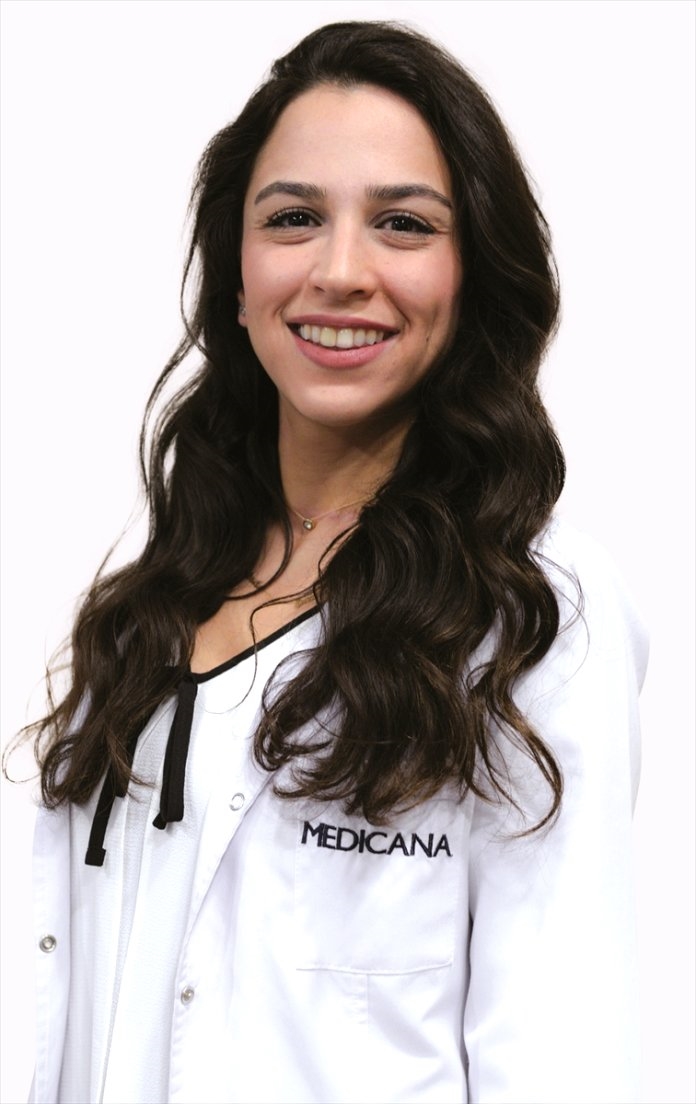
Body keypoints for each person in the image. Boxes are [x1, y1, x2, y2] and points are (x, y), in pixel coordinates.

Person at [21, 20, 647, 1104]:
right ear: (236, 275)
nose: (341, 271)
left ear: (471, 274)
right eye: (293, 218)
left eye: (403, 224)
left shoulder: (534, 611)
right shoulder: (149, 592)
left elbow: (562, 1055)